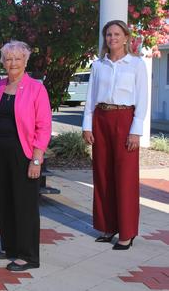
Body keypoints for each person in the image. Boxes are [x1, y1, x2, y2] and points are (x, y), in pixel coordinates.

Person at [0, 40, 51, 271]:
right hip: (0, 153)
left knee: (25, 205)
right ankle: (10, 246)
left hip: (24, 153)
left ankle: (28, 255)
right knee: (5, 201)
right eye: (8, 58)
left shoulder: (36, 88)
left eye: (17, 58)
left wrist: (36, 159)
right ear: (3, 62)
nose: (12, 62)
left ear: (25, 61)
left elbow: (44, 126)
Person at [82, 20, 148, 250]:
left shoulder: (136, 64)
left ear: (126, 37)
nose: (112, 38)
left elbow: (142, 99)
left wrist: (135, 131)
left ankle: (127, 232)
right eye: (108, 34)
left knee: (125, 177)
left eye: (117, 34)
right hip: (101, 119)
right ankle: (107, 225)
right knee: (103, 175)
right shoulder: (98, 65)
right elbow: (90, 97)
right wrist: (87, 126)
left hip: (125, 119)